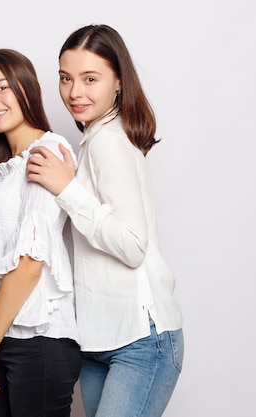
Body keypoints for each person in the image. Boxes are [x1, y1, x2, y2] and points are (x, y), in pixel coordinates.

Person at [26, 24, 184, 417]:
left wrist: (68, 190)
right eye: (66, 78)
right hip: (98, 340)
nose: (74, 92)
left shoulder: (109, 141)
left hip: (141, 338)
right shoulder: (95, 140)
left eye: (90, 79)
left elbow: (132, 245)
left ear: (118, 82)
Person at [0, 48, 81, 417]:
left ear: (26, 88)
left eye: (2, 87)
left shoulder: (48, 151)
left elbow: (29, 265)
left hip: (38, 343)